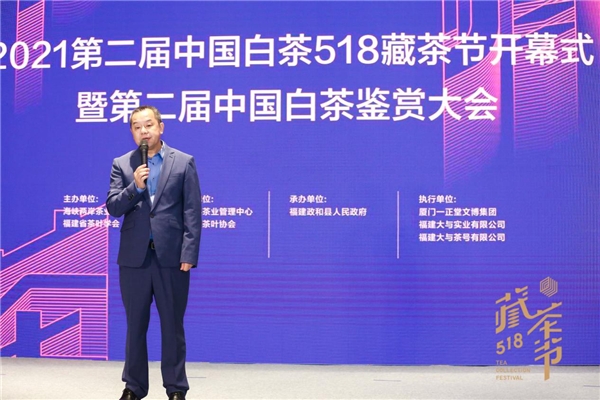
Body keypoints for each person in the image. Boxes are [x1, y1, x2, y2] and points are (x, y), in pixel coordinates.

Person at [107, 105, 202, 400]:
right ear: (132, 132)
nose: (143, 131)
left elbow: (192, 212)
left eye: (148, 125)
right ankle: (134, 387)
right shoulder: (122, 164)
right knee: (135, 325)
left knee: (172, 325)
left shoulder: (183, 162)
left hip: (171, 258)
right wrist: (135, 187)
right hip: (133, 260)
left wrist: (189, 253)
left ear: (161, 127)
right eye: (137, 127)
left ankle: (176, 387)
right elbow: (113, 207)